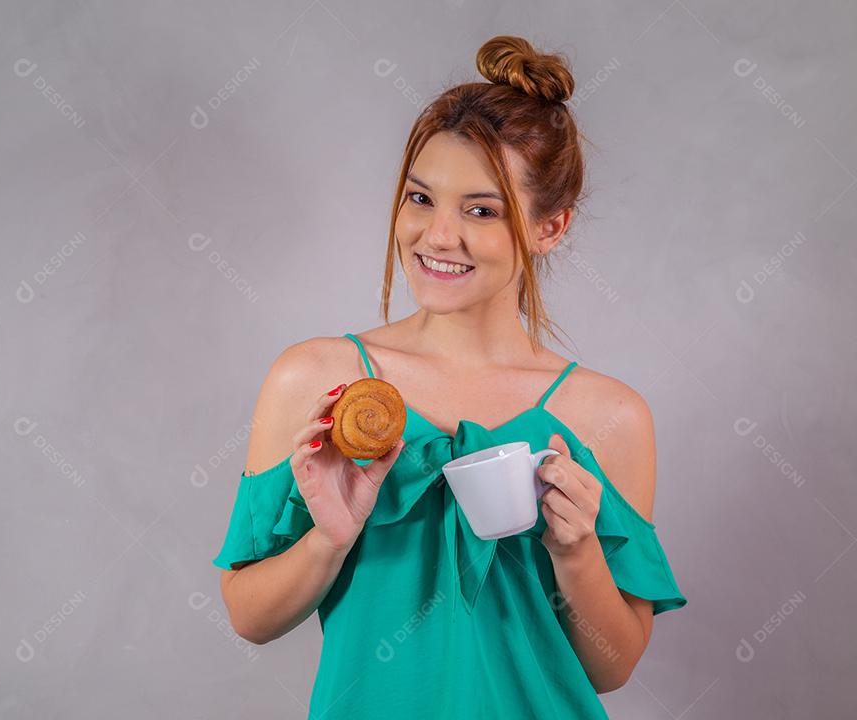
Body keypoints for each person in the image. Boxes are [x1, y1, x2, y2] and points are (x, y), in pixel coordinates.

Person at [212, 34, 687, 719]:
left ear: (550, 225)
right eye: (420, 198)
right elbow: (248, 616)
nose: (437, 236)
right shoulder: (318, 380)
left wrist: (577, 552)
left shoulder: (609, 416)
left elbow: (609, 670)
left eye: (481, 210)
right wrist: (328, 540)